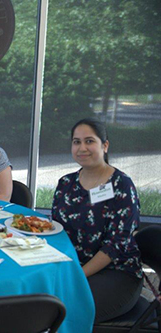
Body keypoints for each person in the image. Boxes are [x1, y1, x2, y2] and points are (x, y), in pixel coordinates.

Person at [52, 117, 143, 323]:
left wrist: (77, 274)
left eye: (89, 141)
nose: (82, 147)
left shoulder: (122, 186)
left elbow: (116, 245)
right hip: (74, 266)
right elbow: (56, 230)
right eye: (76, 142)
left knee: (63, 309)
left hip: (116, 272)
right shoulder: (66, 183)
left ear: (105, 145)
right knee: (34, 298)